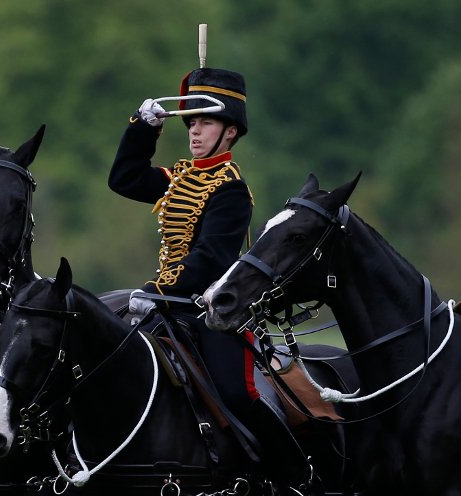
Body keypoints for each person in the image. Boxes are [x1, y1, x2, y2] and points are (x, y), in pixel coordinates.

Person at [108, 67, 318, 495]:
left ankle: (297, 478)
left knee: (239, 395)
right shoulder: (178, 179)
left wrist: (158, 291)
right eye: (190, 124)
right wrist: (142, 129)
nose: (194, 132)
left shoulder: (232, 190)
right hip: (163, 304)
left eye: (204, 122)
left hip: (212, 311)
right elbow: (124, 178)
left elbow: (210, 259)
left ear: (231, 133)